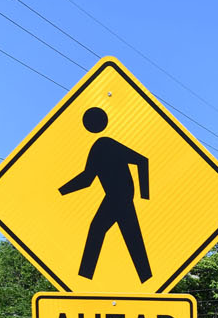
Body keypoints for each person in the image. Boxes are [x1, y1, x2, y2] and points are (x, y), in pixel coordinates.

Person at [59, 106, 152, 283]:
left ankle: (85, 277)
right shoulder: (97, 147)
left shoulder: (106, 144)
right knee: (131, 238)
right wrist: (61, 191)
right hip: (116, 197)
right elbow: (87, 179)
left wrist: (144, 195)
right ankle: (146, 278)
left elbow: (142, 161)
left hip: (120, 196)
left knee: (99, 230)